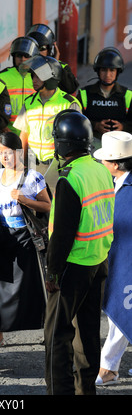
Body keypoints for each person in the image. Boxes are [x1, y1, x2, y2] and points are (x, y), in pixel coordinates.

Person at [44, 110, 115, 395]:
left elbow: (61, 235)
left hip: (72, 265)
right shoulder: (100, 168)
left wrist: (52, 272)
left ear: (61, 144)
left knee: (56, 337)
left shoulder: (69, 178)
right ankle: (85, 390)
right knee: (87, 333)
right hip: (98, 261)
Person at [0, 132, 51, 346]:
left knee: (33, 284)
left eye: (8, 153)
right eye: (0, 153)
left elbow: (47, 206)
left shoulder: (33, 177)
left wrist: (25, 200)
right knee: (0, 284)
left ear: (19, 152)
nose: (5, 157)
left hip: (26, 238)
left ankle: (47, 328)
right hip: (2, 237)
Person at [93, 131, 132, 385]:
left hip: (127, 259)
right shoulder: (115, 183)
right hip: (119, 256)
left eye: (104, 160)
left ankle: (108, 368)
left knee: (123, 307)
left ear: (115, 164)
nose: (100, 164)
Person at [13, 54, 81, 187]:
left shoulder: (69, 103)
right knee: (35, 202)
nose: (34, 80)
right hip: (34, 164)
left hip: (59, 164)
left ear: (51, 77)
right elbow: (24, 134)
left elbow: (78, 139)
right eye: (33, 76)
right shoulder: (29, 102)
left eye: (38, 76)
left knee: (56, 203)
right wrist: (21, 163)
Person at [77, 47, 132, 150]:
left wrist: (123, 127)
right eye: (103, 70)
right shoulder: (84, 94)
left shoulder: (127, 95)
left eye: (112, 70)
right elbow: (76, 121)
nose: (108, 75)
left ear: (117, 72)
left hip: (120, 149)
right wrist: (95, 125)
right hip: (91, 148)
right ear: (98, 71)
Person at [0, 36, 38, 134]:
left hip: (33, 135)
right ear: (13, 57)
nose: (22, 59)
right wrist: (3, 127)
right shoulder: (1, 77)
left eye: (26, 56)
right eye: (19, 55)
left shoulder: (40, 78)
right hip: (7, 133)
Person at [27, 23, 79, 94]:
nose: (38, 52)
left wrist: (55, 65)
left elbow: (71, 88)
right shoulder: (25, 67)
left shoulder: (61, 67)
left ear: (49, 49)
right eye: (34, 48)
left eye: (42, 48)